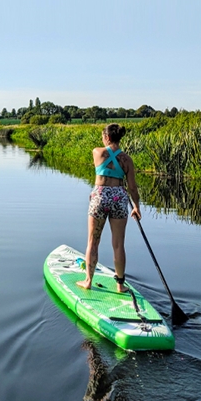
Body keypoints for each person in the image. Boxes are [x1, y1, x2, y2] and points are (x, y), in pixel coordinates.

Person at [77, 123, 141, 293]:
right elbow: (133, 188)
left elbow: (105, 160)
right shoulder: (127, 160)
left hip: (100, 196)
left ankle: (88, 281)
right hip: (119, 198)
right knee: (118, 244)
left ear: (107, 137)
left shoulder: (97, 152)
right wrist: (136, 206)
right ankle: (120, 285)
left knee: (93, 241)